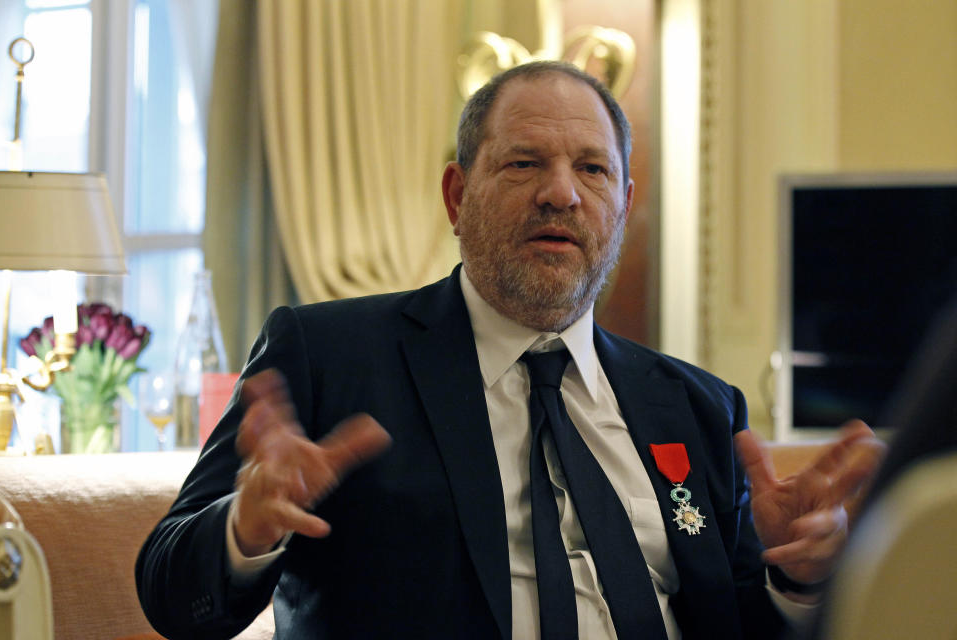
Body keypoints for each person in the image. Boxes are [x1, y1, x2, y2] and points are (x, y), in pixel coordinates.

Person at [136, 61, 884, 640]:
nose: (561, 194)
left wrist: (797, 582)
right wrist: (247, 526)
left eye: (592, 169)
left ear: (622, 204)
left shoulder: (696, 405)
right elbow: (173, 594)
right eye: (524, 163)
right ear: (458, 197)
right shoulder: (330, 355)